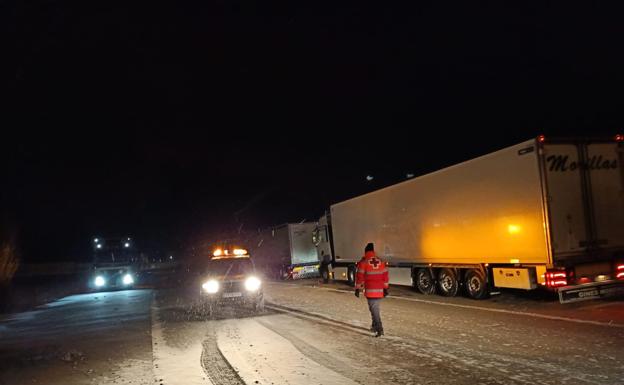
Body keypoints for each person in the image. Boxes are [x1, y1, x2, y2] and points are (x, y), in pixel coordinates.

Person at [354, 242, 389, 337]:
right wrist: (385, 288)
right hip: (380, 291)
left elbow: (359, 277)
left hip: (371, 291)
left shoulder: (364, 262)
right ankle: (374, 326)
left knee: (374, 310)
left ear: (366, 251)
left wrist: (357, 289)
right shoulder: (380, 261)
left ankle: (379, 329)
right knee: (373, 308)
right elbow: (385, 276)